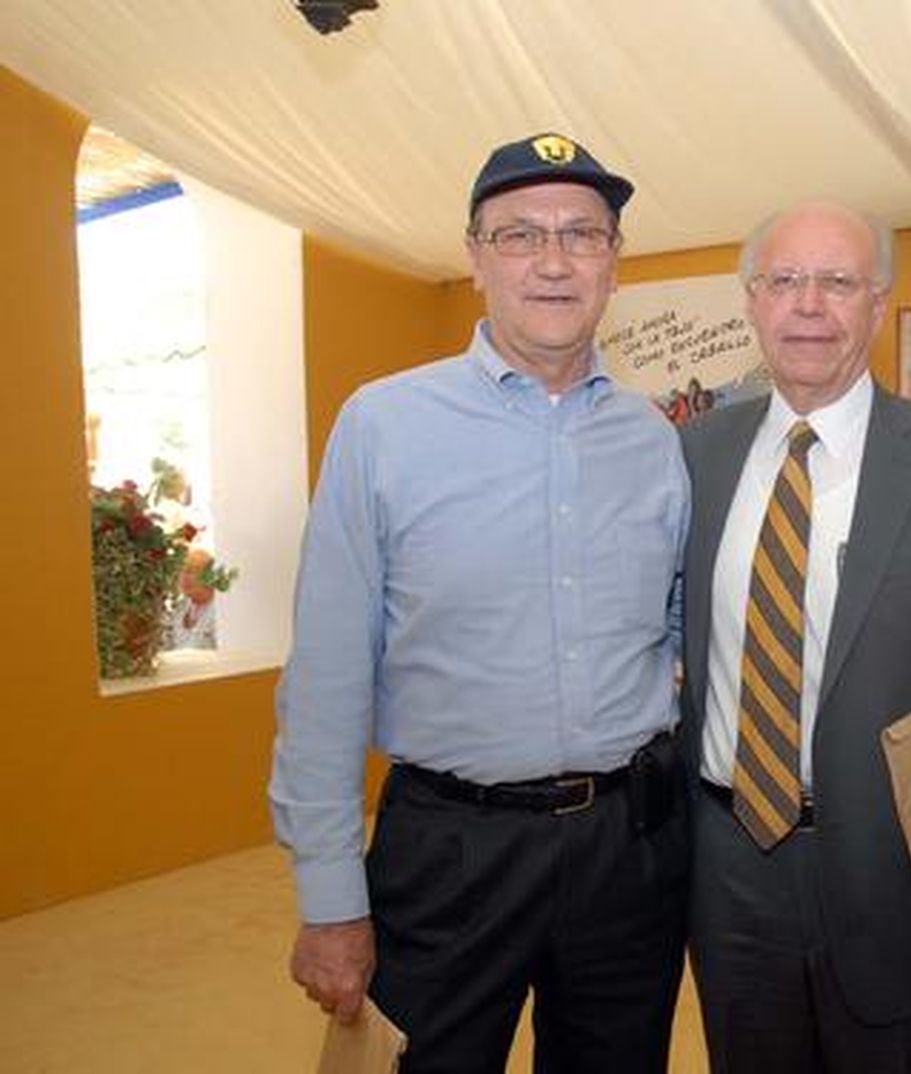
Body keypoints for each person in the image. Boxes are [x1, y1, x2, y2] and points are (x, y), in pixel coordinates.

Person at [269, 133, 690, 1074]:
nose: (553, 261)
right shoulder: (382, 425)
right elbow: (328, 676)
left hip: (628, 852)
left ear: (614, 261)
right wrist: (330, 900)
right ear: (475, 257)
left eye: (581, 234)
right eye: (520, 235)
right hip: (449, 854)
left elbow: (673, 632)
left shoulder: (652, 438)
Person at [678, 202, 911, 1073]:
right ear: (752, 300)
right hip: (728, 871)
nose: (809, 305)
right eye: (785, 281)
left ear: (879, 304)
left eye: (838, 282)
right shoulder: (694, 455)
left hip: (903, 876)